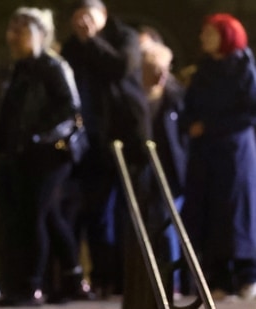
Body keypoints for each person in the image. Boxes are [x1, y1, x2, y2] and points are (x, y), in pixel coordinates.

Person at [0, 7, 87, 306]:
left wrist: (37, 133)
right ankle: (73, 278)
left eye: (21, 30)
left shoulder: (51, 66)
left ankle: (31, 285)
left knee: (34, 215)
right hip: (26, 153)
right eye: (13, 29)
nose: (14, 36)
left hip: (50, 153)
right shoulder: (20, 68)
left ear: (39, 35)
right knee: (48, 215)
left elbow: (68, 107)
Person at [60, 0, 150, 299]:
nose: (82, 24)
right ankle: (103, 277)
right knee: (96, 213)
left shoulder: (124, 37)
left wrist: (93, 41)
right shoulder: (73, 47)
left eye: (88, 16)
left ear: (102, 16)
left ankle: (131, 278)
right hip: (92, 143)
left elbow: (119, 68)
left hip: (125, 140)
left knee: (129, 212)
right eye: (78, 18)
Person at [180, 13, 256, 301]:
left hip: (235, 153)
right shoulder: (203, 70)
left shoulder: (243, 67)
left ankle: (247, 274)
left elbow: (249, 111)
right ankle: (220, 277)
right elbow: (188, 108)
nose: (203, 39)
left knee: (237, 213)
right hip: (205, 154)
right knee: (211, 212)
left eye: (210, 34)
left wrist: (210, 126)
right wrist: (191, 124)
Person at [140, 39, 188, 299]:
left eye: (164, 69)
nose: (161, 75)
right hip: (142, 170)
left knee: (170, 229)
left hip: (171, 172)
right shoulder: (134, 96)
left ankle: (173, 284)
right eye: (154, 69)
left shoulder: (176, 97)